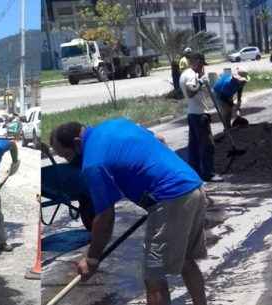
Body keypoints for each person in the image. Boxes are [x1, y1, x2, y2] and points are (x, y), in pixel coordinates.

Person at [50, 119, 210, 305]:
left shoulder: (93, 163)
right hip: (193, 186)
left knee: (154, 277)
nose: (69, 161)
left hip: (171, 198)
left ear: (77, 143)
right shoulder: (116, 123)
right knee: (186, 260)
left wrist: (91, 259)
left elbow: (105, 218)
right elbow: (159, 138)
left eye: (67, 156)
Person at [180, 52, 223, 182]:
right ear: (198, 62)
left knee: (194, 146)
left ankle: (195, 172)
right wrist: (200, 81)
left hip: (192, 114)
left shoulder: (185, 74)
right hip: (199, 115)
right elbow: (190, 92)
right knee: (207, 145)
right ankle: (208, 173)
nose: (203, 68)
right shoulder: (192, 75)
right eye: (202, 65)